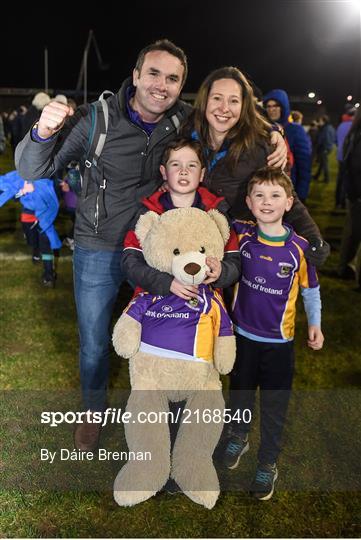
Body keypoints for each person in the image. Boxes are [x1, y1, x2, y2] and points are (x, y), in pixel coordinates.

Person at [15, 40, 290, 452]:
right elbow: (30, 167)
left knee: (170, 334)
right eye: (155, 74)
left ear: (182, 87)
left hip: (162, 252)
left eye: (173, 78)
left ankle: (166, 412)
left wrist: (273, 131)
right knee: (94, 343)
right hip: (100, 249)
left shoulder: (180, 120)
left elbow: (226, 120)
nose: (162, 85)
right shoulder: (95, 120)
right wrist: (42, 131)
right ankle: (92, 415)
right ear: (137, 75)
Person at [222, 167, 324, 501]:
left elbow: (310, 290)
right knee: (239, 393)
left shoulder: (299, 248)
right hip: (242, 336)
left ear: (289, 202)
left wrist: (315, 324)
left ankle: (267, 462)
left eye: (275, 195)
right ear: (249, 202)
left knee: (274, 405)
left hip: (279, 344)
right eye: (260, 196)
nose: (267, 202)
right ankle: (238, 434)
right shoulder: (242, 236)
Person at [181, 68, 328, 260]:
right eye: (217, 98)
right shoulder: (184, 135)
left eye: (233, 100)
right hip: (189, 247)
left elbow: (285, 196)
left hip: (238, 255)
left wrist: (312, 237)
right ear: (204, 100)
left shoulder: (262, 146)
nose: (224, 108)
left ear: (244, 106)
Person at [122, 137, 240, 297]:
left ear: (202, 174)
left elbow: (234, 261)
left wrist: (222, 272)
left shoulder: (215, 212)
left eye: (192, 165)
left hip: (204, 303)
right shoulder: (149, 212)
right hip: (156, 300)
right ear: (164, 172)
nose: (184, 171)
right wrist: (165, 283)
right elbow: (130, 261)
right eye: (175, 164)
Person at [263, 89, 312, 202]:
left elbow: (304, 164)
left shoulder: (296, 130)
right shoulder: (263, 129)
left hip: (289, 189)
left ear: (283, 107)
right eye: (268, 106)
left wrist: (301, 193)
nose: (271, 110)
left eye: (276, 106)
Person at [338, 106, 361, 287]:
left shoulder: (354, 132)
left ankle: (344, 267)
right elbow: (355, 167)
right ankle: (346, 268)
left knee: (352, 232)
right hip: (357, 193)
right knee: (353, 232)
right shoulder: (357, 135)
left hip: (353, 192)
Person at [335, 105, 356, 208]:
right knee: (347, 180)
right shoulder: (353, 126)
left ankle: (337, 201)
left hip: (340, 156)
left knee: (340, 179)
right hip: (348, 157)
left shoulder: (341, 125)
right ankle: (343, 202)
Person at [313, 115, 336, 183]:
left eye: (320, 121)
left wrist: (318, 146)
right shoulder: (330, 127)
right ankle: (317, 175)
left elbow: (322, 139)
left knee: (324, 164)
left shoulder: (325, 128)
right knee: (322, 163)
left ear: (324, 121)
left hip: (324, 148)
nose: (319, 122)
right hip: (328, 147)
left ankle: (327, 179)